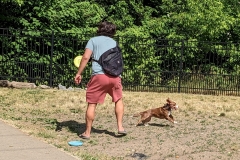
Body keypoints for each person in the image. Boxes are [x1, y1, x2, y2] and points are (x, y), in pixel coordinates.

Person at [74, 21, 126, 139]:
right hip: (115, 76)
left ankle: (87, 133)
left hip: (99, 76)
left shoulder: (93, 40)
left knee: (92, 104)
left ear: (100, 29)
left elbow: (86, 57)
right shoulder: (114, 42)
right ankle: (120, 127)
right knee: (118, 99)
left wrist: (78, 73)